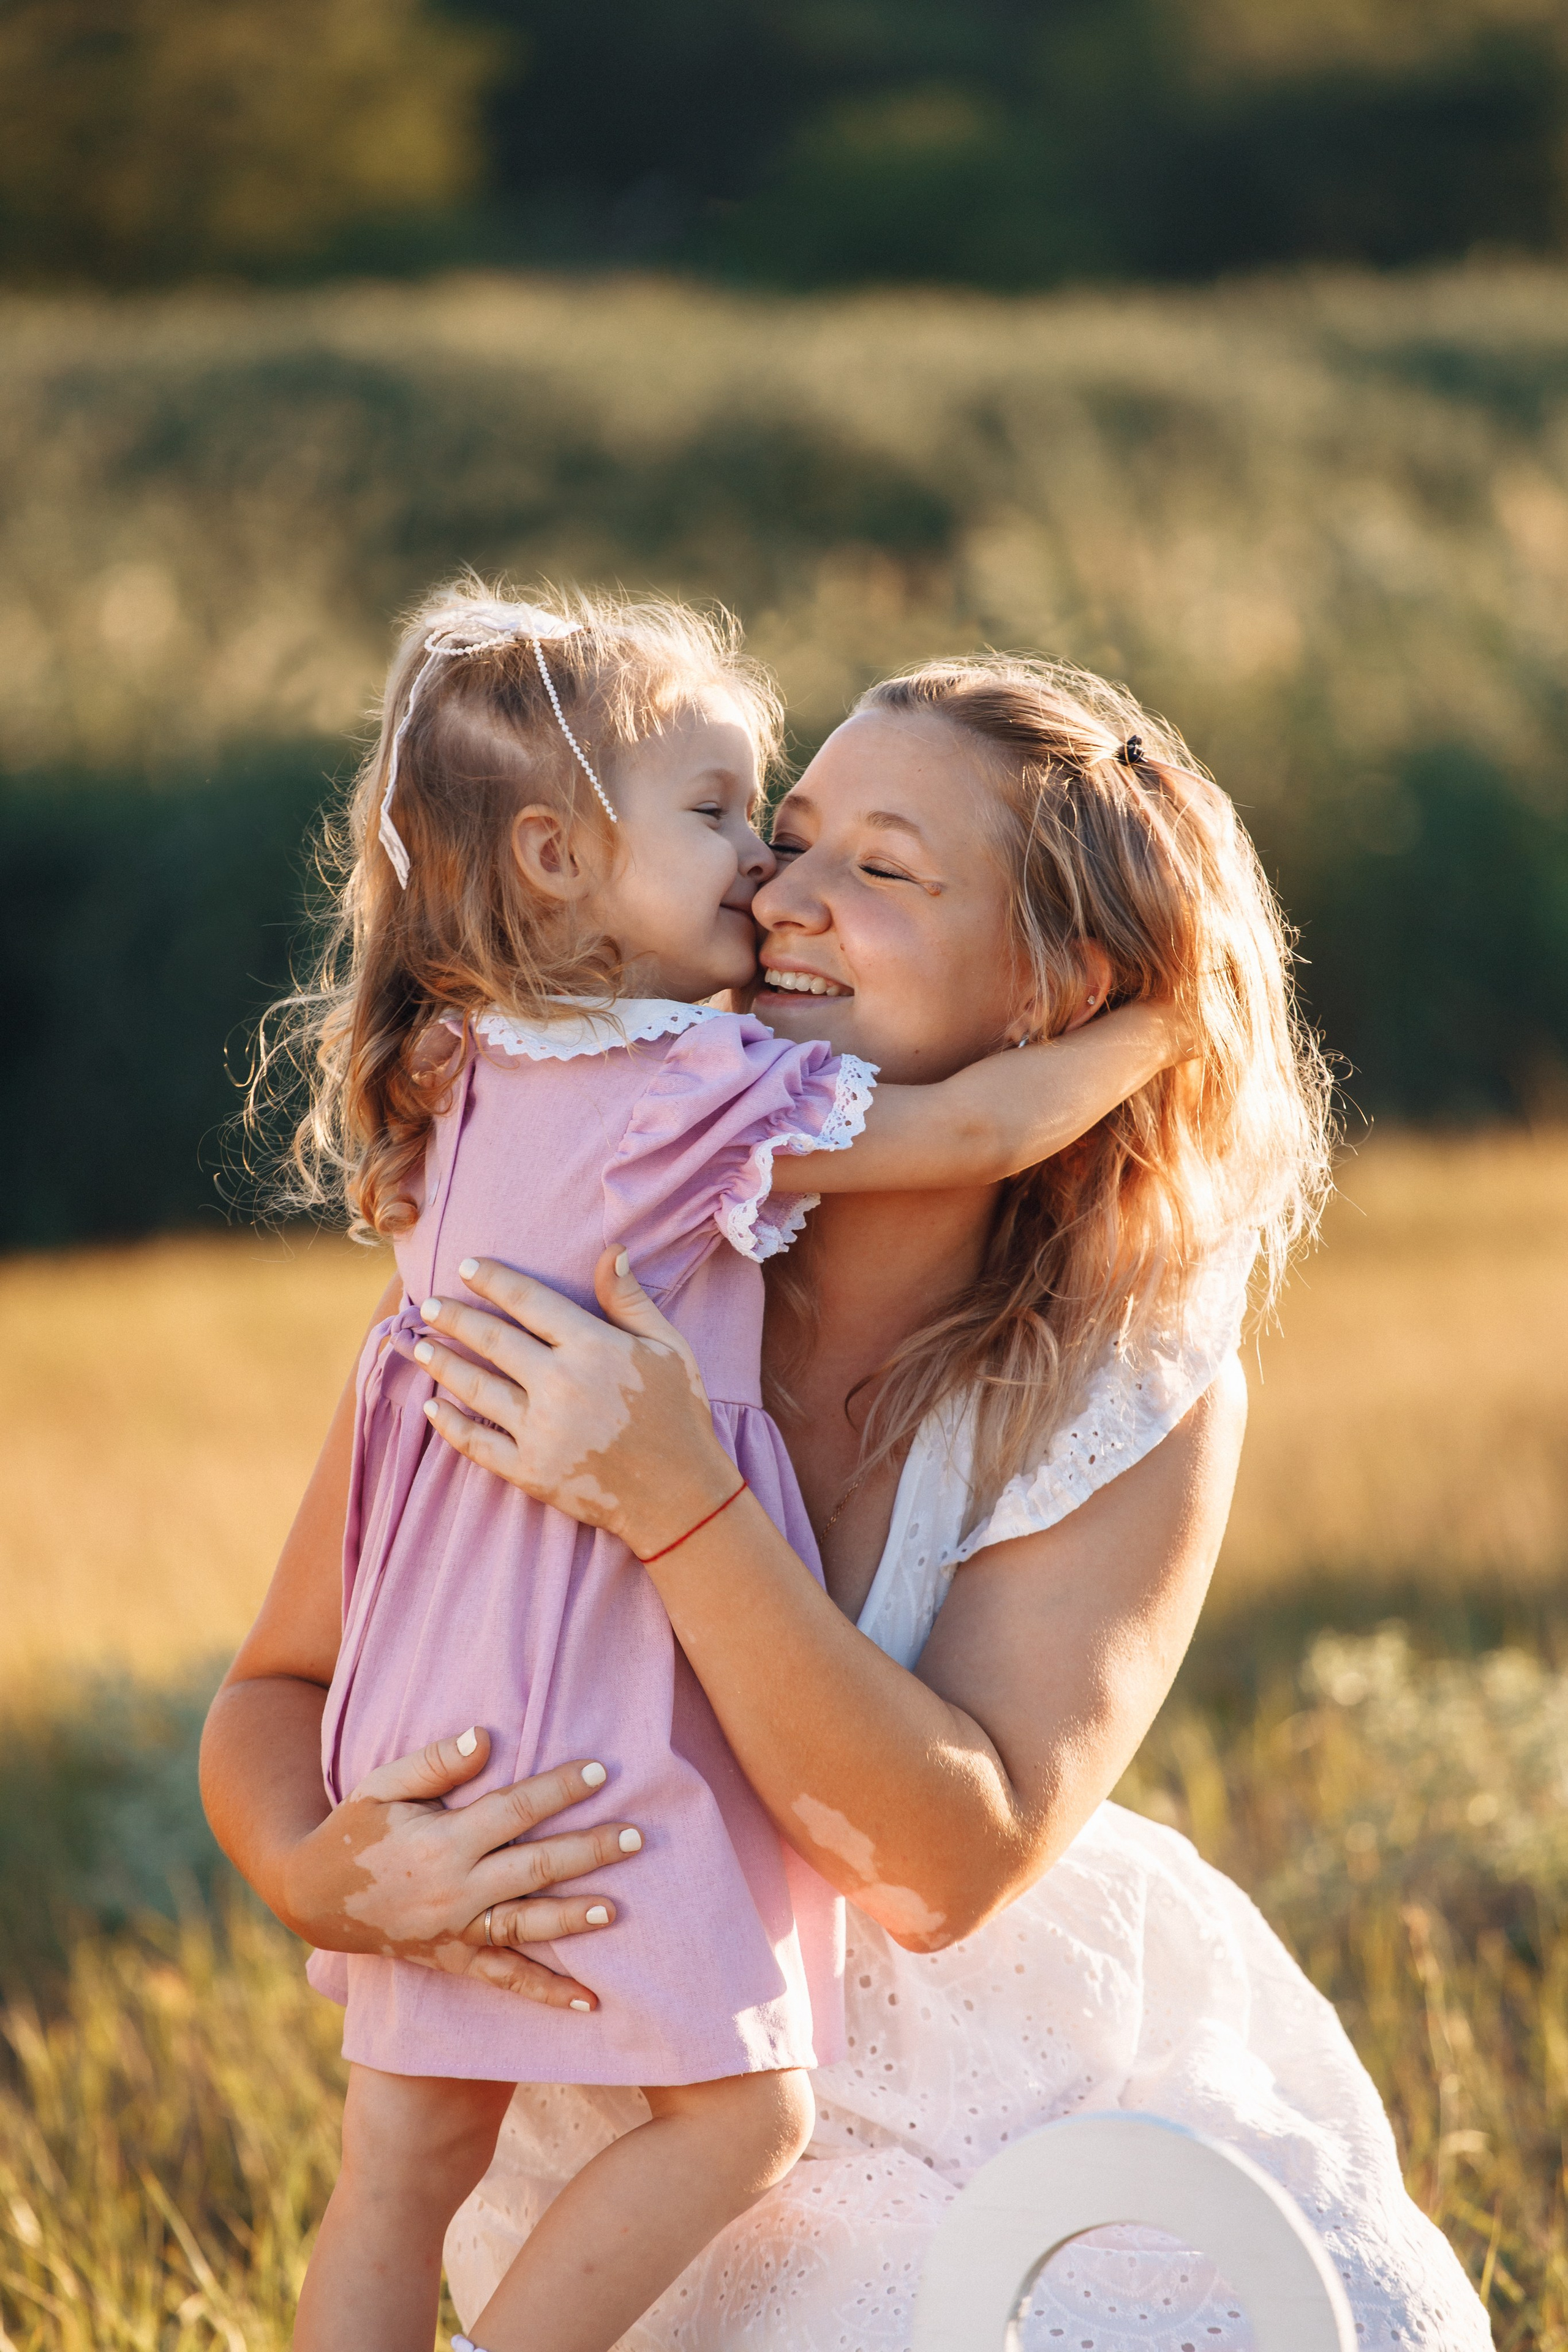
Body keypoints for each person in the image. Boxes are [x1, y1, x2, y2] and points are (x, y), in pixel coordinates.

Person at [202, 654, 1492, 2350]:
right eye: (786, 832)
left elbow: (943, 1875)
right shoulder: (573, 1248)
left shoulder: (1121, 1379)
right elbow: (275, 1689)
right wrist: (321, 1879)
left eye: (882, 868)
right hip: (641, 2121)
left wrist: (680, 1503)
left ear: (1059, 992)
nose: (780, 891)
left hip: (983, 2059)